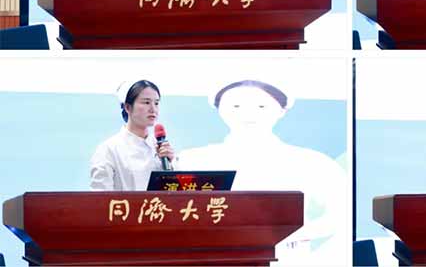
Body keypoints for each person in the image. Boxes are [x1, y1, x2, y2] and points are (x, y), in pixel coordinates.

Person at [178, 80, 346, 263]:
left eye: (261, 106)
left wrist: (292, 234)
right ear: (219, 109)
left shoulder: (312, 162)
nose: (248, 114)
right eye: (236, 106)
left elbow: (340, 214)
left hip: (286, 259)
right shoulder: (191, 160)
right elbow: (175, 213)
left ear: (282, 110)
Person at [90, 80, 175, 191]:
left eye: (156, 103)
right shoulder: (109, 149)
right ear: (128, 107)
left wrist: (171, 166)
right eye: (146, 102)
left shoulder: (162, 149)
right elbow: (99, 196)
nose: (153, 109)